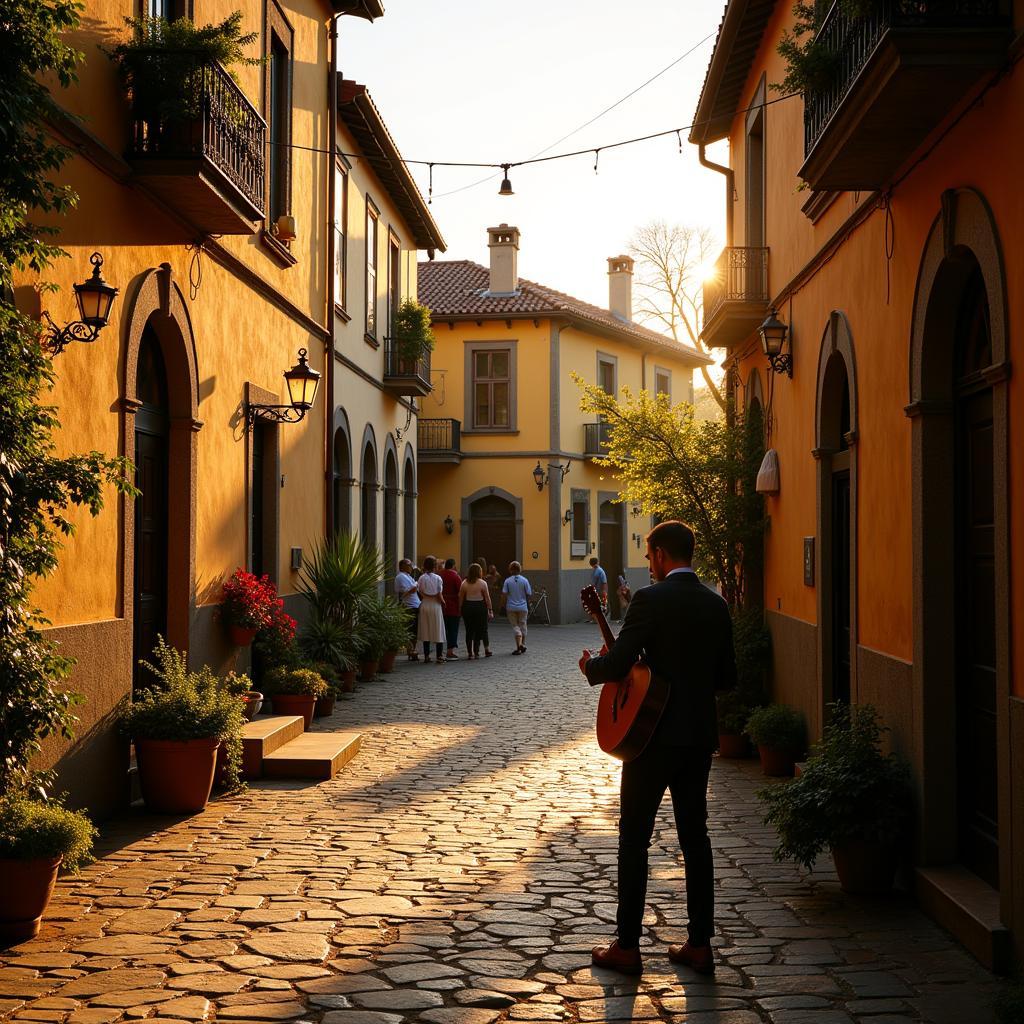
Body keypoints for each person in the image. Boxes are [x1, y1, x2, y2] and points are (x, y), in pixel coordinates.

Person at [579, 521, 736, 977]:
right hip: (698, 739)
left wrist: (592, 666)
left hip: (649, 741)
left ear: (663, 556)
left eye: (650, 557)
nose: (649, 566)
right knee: (695, 838)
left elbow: (620, 661)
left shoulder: (650, 600)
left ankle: (627, 947)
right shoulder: (716, 604)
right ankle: (699, 944)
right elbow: (726, 679)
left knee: (634, 838)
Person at [415, 556, 446, 663]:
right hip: (435, 605)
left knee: (425, 629)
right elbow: (439, 594)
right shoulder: (438, 578)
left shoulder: (421, 578)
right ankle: (439, 655)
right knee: (438, 629)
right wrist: (443, 602)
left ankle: (427, 656)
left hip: (425, 604)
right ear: (434, 566)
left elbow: (420, 592)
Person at [459, 563, 493, 658]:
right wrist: (490, 610)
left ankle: (470, 653)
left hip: (468, 607)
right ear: (479, 572)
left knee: (469, 630)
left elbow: (461, 598)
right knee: (481, 629)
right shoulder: (482, 583)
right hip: (480, 607)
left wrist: (460, 609)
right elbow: (487, 598)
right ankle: (477, 652)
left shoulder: (464, 583)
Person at [500, 561, 532, 654]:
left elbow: (504, 594)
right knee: (523, 625)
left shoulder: (507, 581)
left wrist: (502, 605)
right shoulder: (525, 580)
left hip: (511, 607)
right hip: (523, 607)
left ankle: (519, 647)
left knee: (515, 626)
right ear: (519, 569)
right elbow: (529, 594)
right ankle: (523, 644)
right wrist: (528, 603)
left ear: (510, 570)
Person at [394, 559, 421, 660]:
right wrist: (414, 587)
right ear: (403, 566)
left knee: (414, 630)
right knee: (411, 630)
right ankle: (411, 650)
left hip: (415, 605)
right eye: (409, 565)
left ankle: (412, 650)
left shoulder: (408, 576)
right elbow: (404, 592)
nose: (411, 567)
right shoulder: (401, 576)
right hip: (409, 606)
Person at [440, 558, 463, 660]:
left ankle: (439, 652)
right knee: (453, 629)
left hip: (441, 605)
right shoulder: (455, 576)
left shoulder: (439, 574)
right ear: (453, 565)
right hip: (453, 606)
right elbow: (460, 592)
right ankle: (450, 651)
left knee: (442, 628)